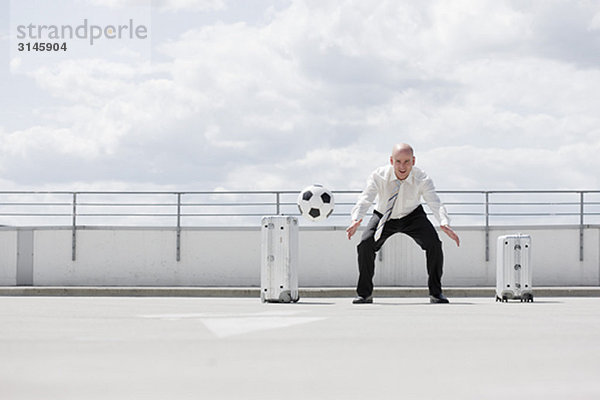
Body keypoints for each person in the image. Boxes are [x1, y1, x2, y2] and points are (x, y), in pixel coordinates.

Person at [346, 143, 460, 304]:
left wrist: (444, 222)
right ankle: (364, 294)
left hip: (413, 216)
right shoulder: (378, 175)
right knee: (365, 244)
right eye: (398, 161)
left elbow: (435, 202)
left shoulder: (422, 178)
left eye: (407, 161)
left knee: (434, 243)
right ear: (391, 161)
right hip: (383, 215)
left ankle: (436, 293)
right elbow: (366, 198)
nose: (402, 166)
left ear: (413, 161)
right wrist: (356, 218)